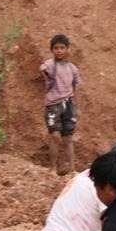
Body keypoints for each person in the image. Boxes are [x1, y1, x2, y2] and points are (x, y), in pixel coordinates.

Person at [39, 34, 82, 175]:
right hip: (53, 105)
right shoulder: (50, 64)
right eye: (56, 48)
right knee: (55, 136)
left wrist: (77, 107)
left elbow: (76, 87)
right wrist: (43, 69)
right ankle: (53, 168)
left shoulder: (72, 68)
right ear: (52, 50)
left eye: (62, 47)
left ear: (67, 49)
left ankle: (72, 169)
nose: (59, 50)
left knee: (68, 138)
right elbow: (44, 68)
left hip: (68, 105)